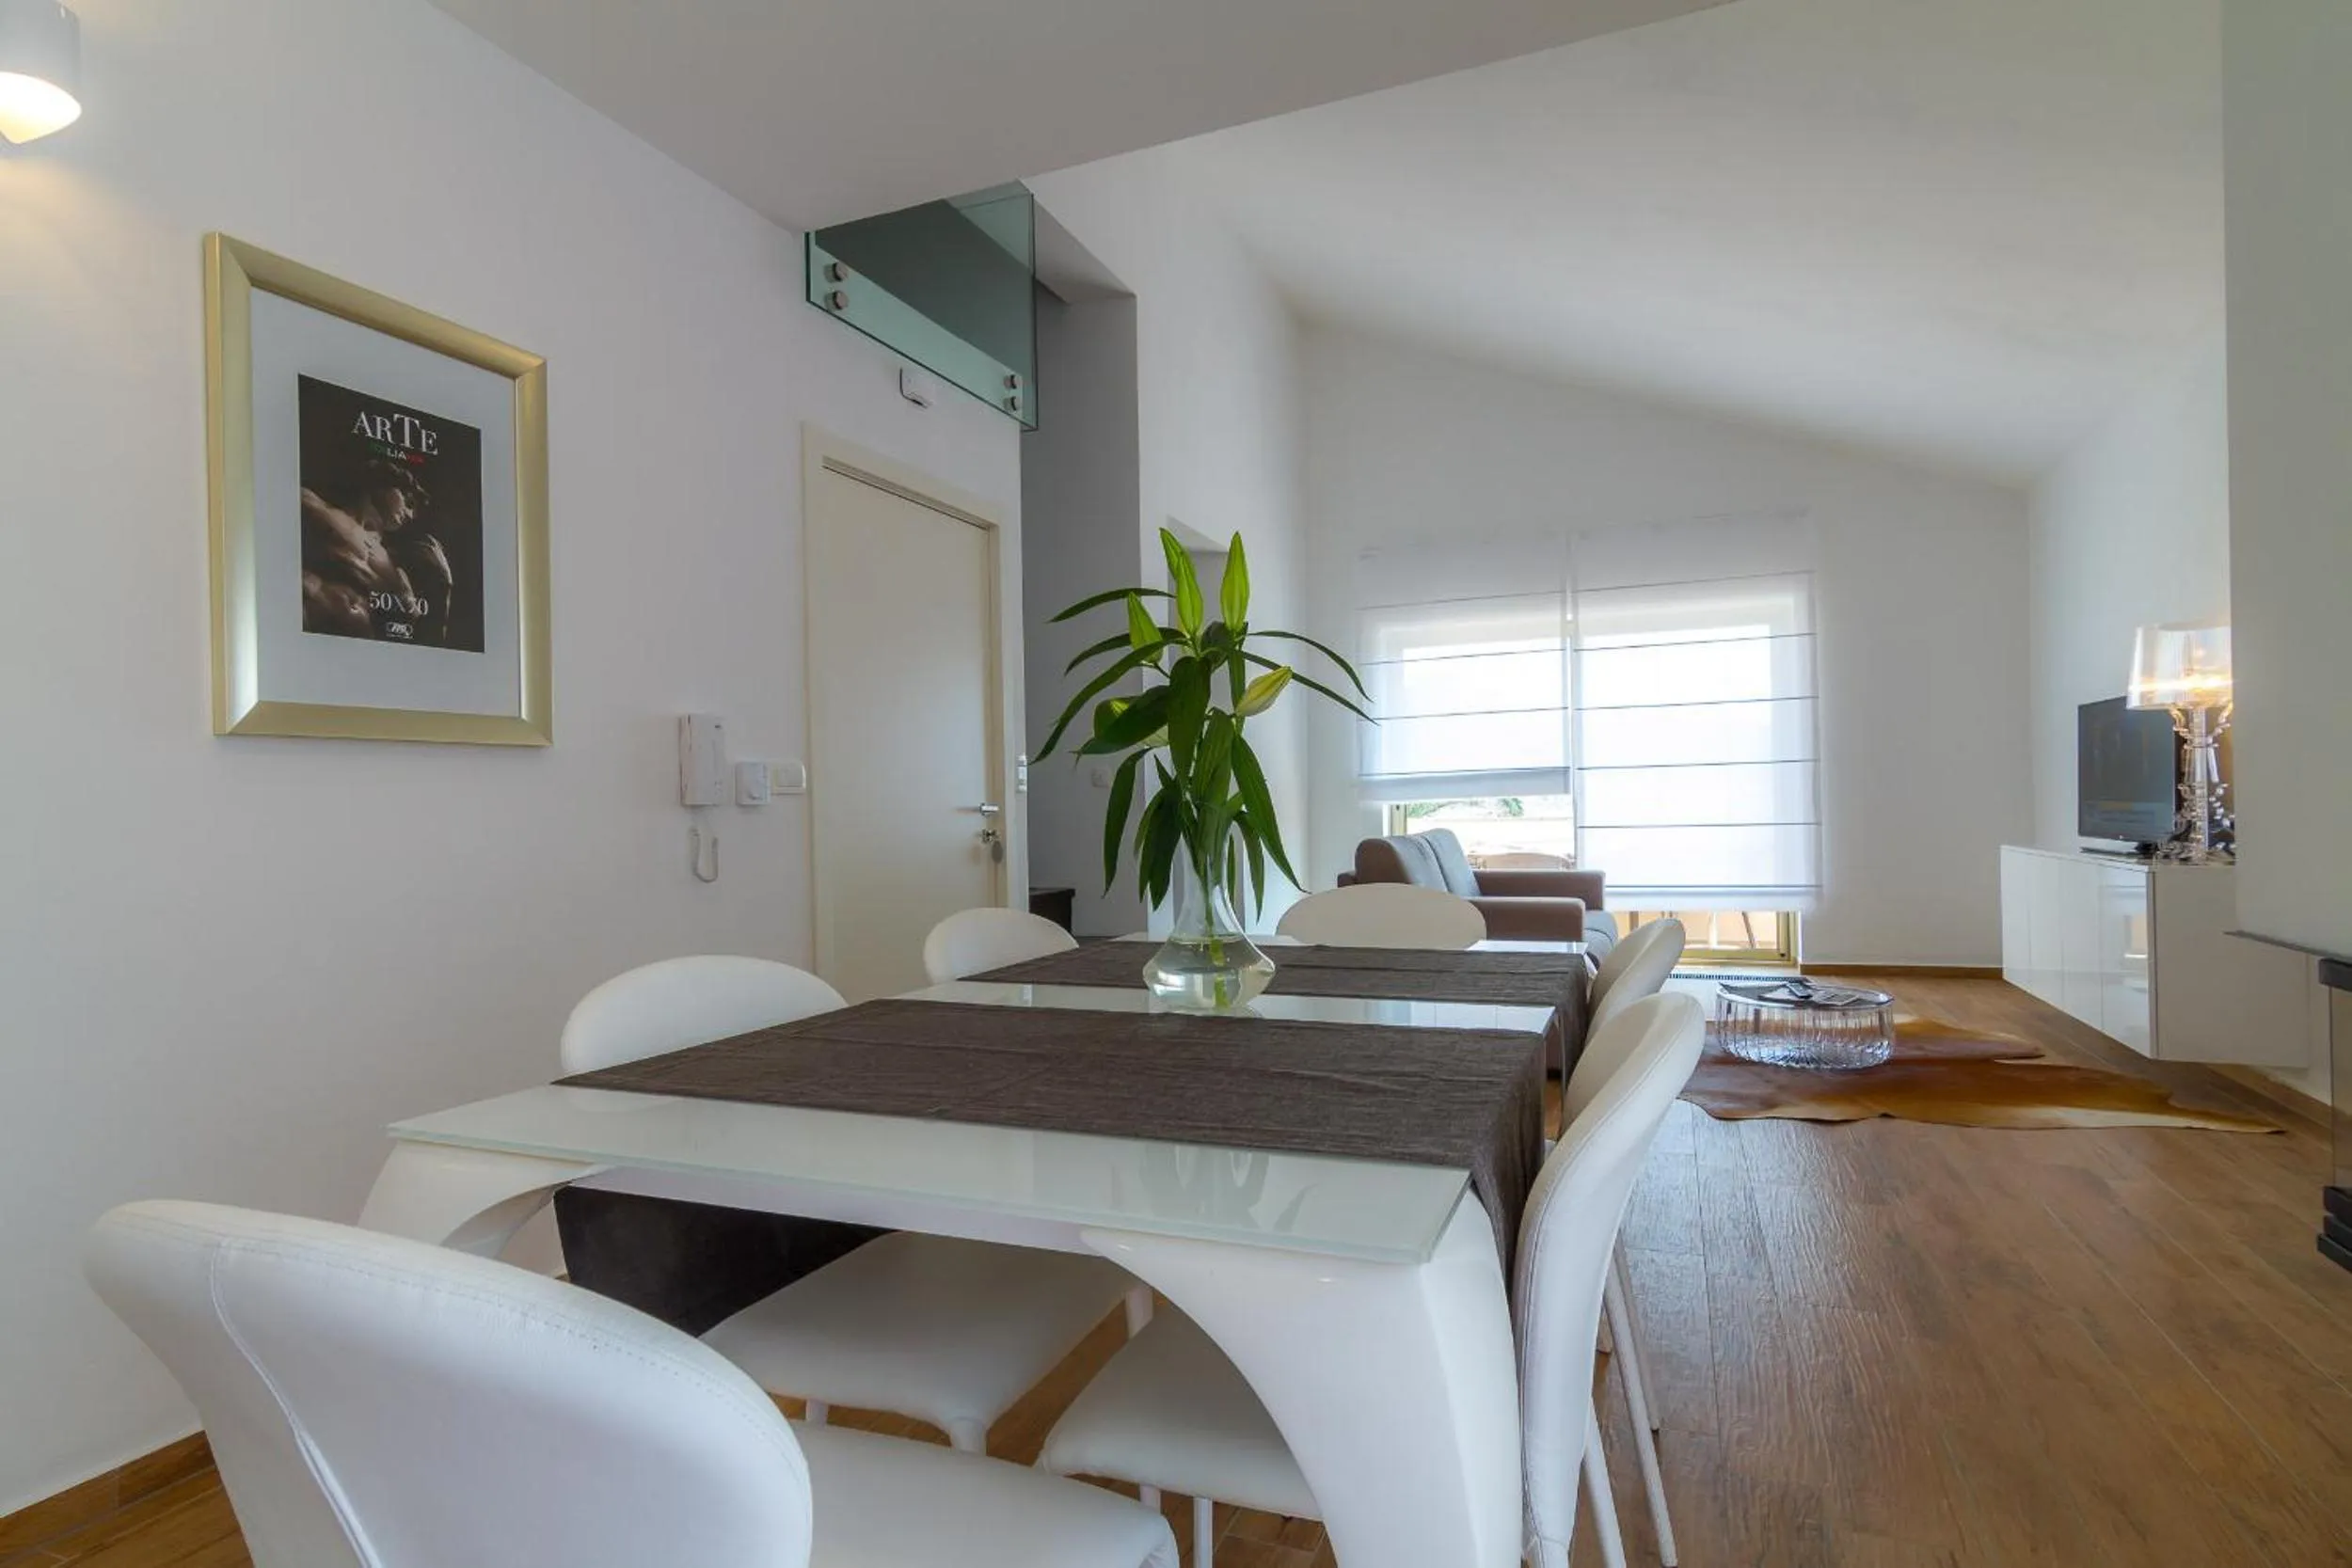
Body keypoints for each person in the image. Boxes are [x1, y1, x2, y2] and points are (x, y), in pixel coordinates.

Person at [299, 455, 457, 646]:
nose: (409, 514)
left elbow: (422, 634)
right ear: (382, 483)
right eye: (408, 501)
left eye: (413, 511)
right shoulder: (311, 504)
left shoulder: (394, 568)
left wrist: (444, 582)